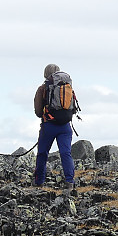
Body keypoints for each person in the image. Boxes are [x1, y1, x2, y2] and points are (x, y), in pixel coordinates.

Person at [33, 63, 75, 193]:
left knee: (42, 154)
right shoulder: (67, 87)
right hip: (65, 126)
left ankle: (39, 181)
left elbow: (38, 111)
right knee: (65, 153)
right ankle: (69, 182)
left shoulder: (43, 88)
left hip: (49, 125)